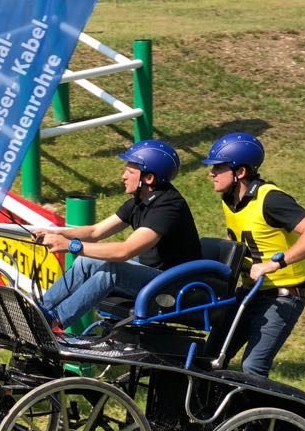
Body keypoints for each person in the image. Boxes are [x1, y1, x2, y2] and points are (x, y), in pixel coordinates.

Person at [34, 139, 202, 331]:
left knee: (113, 270)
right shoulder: (140, 201)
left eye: (130, 172)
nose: (123, 176)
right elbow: (94, 231)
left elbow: (125, 251)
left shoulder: (169, 206)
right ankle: (38, 311)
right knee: (84, 261)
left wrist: (72, 246)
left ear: (148, 179)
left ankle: (52, 321)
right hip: (154, 275)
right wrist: (56, 234)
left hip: (176, 286)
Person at [203, 132, 305, 377]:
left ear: (240, 172)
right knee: (209, 356)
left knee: (252, 368)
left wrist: (275, 263)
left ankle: (258, 415)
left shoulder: (271, 199)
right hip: (249, 292)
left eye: (218, 167)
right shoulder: (230, 200)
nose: (212, 173)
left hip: (282, 297)